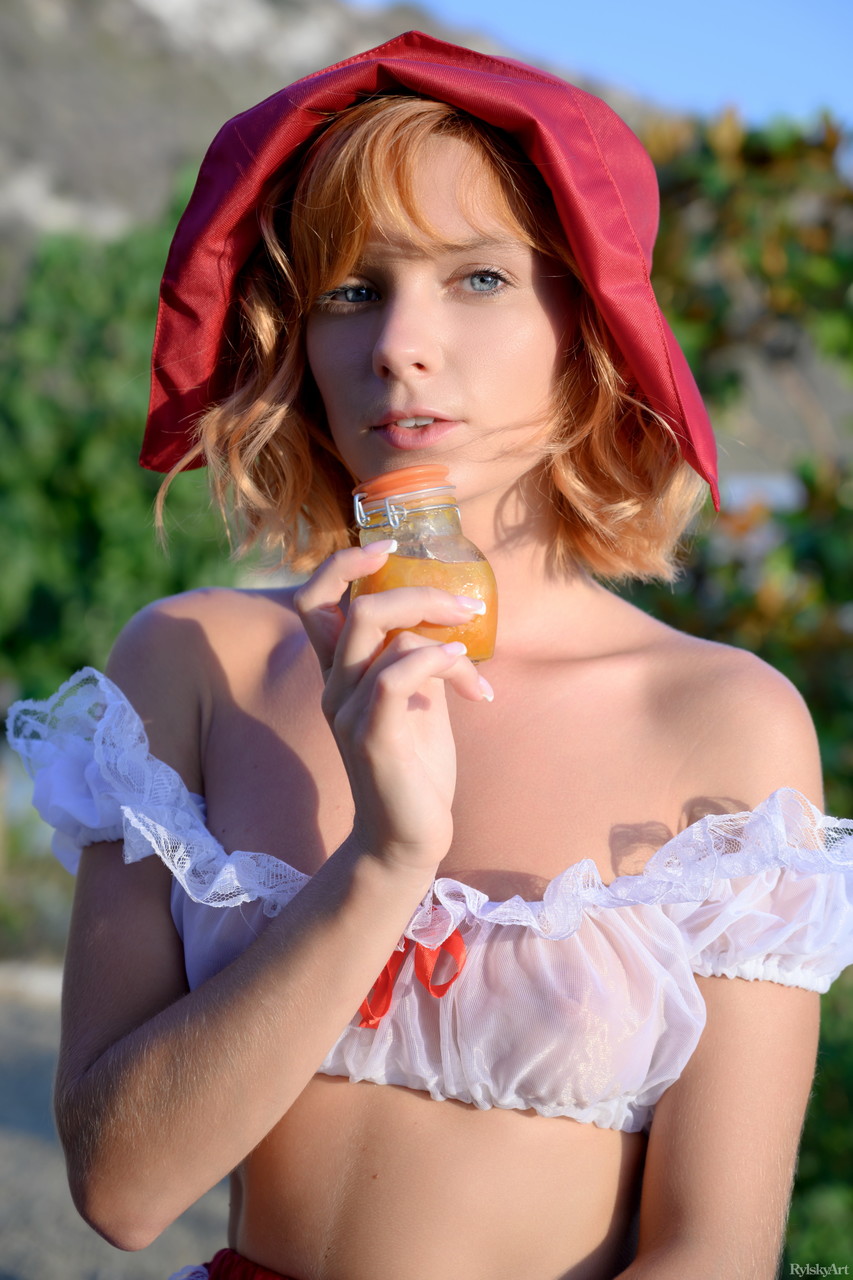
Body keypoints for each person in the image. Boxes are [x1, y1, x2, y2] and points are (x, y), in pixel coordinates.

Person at [7, 30, 853, 1280]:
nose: (398, 341)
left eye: (478, 277)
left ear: (589, 325)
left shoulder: (721, 718)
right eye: (350, 290)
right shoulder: (197, 661)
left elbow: (713, 1250)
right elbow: (121, 1189)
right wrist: (381, 861)